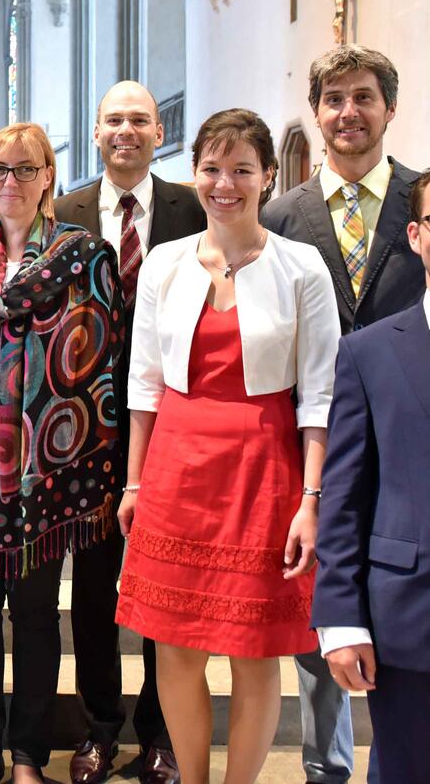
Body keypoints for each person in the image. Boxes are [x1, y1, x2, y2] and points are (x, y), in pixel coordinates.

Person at [115, 109, 340, 784]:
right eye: (212, 168)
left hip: (263, 470)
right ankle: (192, 776)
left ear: (268, 176)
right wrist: (133, 483)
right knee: (176, 648)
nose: (225, 183)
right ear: (195, 173)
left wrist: (310, 499)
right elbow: (144, 386)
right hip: (177, 471)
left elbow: (320, 397)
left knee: (253, 648)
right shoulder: (164, 262)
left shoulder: (302, 268)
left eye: (242, 169)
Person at [0, 122, 123, 784]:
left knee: (36, 610)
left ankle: (28, 753)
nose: (10, 181)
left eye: (25, 169)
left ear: (48, 180)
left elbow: (98, 362)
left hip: (45, 463)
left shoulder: (81, 255)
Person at [260, 44, 424, 784]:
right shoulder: (279, 216)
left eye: (363, 97)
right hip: (312, 435)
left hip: (411, 430)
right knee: (319, 602)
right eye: (333, 98)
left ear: (390, 107)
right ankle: (326, 765)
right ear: (315, 111)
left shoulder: (424, 199)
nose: (348, 112)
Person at [54, 81, 206, 784]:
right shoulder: (65, 212)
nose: (126, 130)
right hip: (84, 435)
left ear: (157, 131)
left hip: (170, 428)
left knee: (167, 590)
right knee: (91, 591)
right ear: (95, 131)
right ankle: (98, 728)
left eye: (138, 120)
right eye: (113, 119)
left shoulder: (191, 207)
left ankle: (162, 732)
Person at [312, 170, 430, 784]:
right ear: (416, 235)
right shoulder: (371, 351)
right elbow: (347, 497)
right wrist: (340, 618)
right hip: (411, 611)